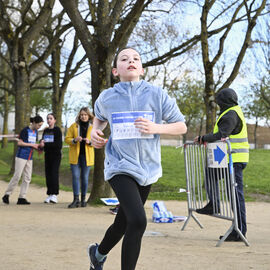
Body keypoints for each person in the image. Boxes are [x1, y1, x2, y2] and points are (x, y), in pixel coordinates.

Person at [88, 47, 187, 270]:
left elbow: (181, 126)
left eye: (135, 59)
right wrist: (94, 132)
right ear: (116, 71)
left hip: (147, 170)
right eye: (124, 59)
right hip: (119, 165)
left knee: (123, 222)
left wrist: (156, 127)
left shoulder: (157, 94)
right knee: (139, 221)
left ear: (142, 69)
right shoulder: (107, 97)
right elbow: (100, 118)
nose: (130, 61)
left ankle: (98, 253)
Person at [194, 88, 249, 242]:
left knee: (236, 195)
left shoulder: (231, 114)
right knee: (211, 174)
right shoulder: (231, 111)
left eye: (219, 102)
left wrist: (203, 138)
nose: (218, 105)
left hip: (235, 160)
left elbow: (222, 134)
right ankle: (215, 204)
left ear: (224, 102)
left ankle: (239, 231)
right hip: (228, 159)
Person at [2, 115, 44, 205]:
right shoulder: (25, 130)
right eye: (39, 125)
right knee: (17, 176)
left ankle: (22, 197)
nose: (39, 127)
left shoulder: (35, 132)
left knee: (27, 177)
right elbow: (20, 143)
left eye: (41, 125)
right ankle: (7, 194)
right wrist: (32, 145)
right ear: (34, 123)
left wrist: (38, 146)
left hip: (30, 157)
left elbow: (32, 144)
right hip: (21, 156)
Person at [65, 107, 94, 208]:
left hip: (87, 156)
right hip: (75, 156)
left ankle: (83, 200)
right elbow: (67, 139)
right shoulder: (74, 126)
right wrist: (74, 140)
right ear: (79, 116)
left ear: (89, 116)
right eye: (81, 115)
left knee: (85, 178)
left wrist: (89, 142)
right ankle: (75, 200)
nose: (83, 116)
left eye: (85, 115)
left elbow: (97, 141)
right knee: (75, 177)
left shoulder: (93, 127)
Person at [39, 113, 62, 204]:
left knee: (54, 173)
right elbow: (42, 141)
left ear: (54, 120)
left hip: (56, 156)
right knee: (48, 174)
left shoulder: (57, 130)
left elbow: (58, 145)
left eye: (51, 118)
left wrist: (46, 144)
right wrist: (41, 143)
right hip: (47, 155)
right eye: (47, 118)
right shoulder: (45, 131)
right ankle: (49, 193)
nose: (49, 120)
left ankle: (55, 194)